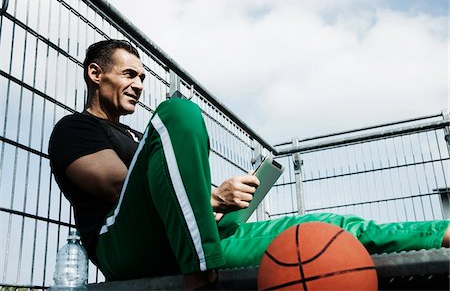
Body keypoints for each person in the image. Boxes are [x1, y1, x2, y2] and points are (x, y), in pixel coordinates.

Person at [48, 39, 450, 289]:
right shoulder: (75, 129)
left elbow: (173, 191)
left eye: (142, 78)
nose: (138, 85)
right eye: (129, 74)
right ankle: (199, 273)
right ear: (95, 73)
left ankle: (439, 235)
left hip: (186, 236)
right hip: (124, 247)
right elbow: (117, 188)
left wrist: (220, 200)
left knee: (320, 233)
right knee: (178, 113)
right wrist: (213, 198)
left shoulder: (137, 140)